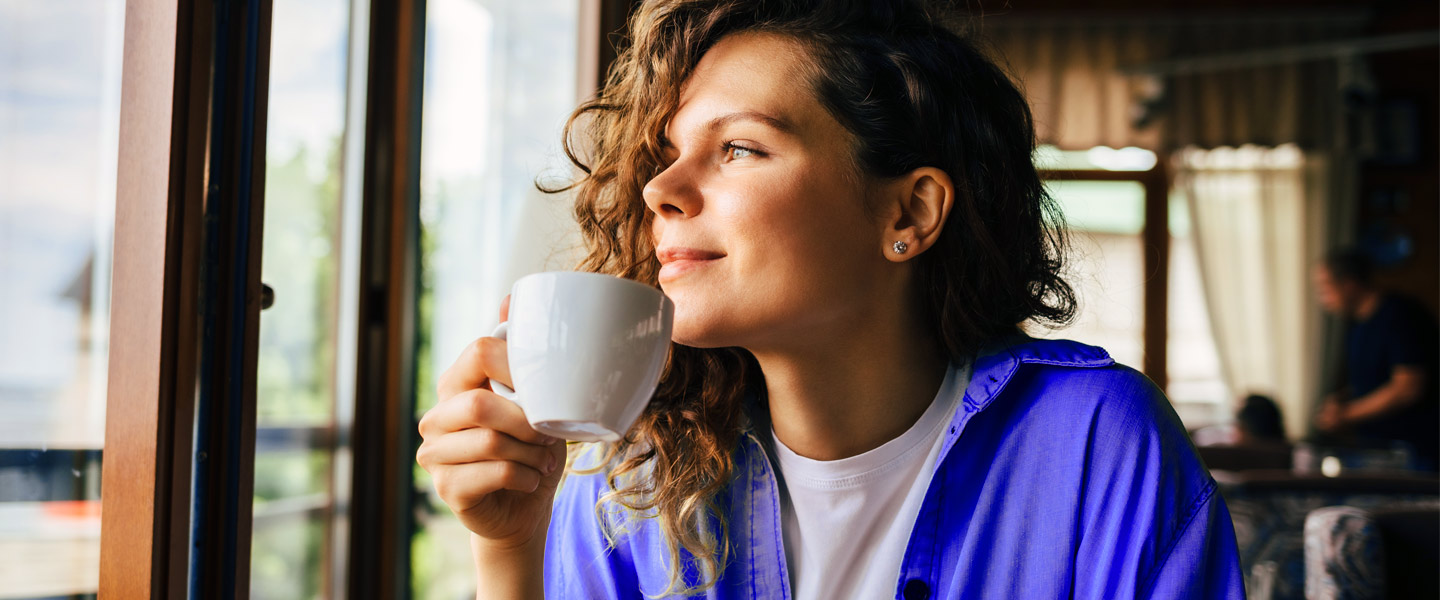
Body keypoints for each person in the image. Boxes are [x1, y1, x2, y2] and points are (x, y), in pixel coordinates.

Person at [417, 1, 1246, 598]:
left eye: (738, 148)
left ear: (908, 212)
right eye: (667, 155)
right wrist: (509, 557)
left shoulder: (1097, 442)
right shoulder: (636, 479)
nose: (661, 189)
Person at [1313, 247, 1440, 471]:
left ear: (1349, 284)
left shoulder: (1400, 314)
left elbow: (1408, 387)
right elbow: (1370, 380)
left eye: (1325, 288)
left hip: (1412, 452)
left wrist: (1347, 414)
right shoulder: (1358, 325)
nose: (1322, 299)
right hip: (1374, 449)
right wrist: (1340, 401)